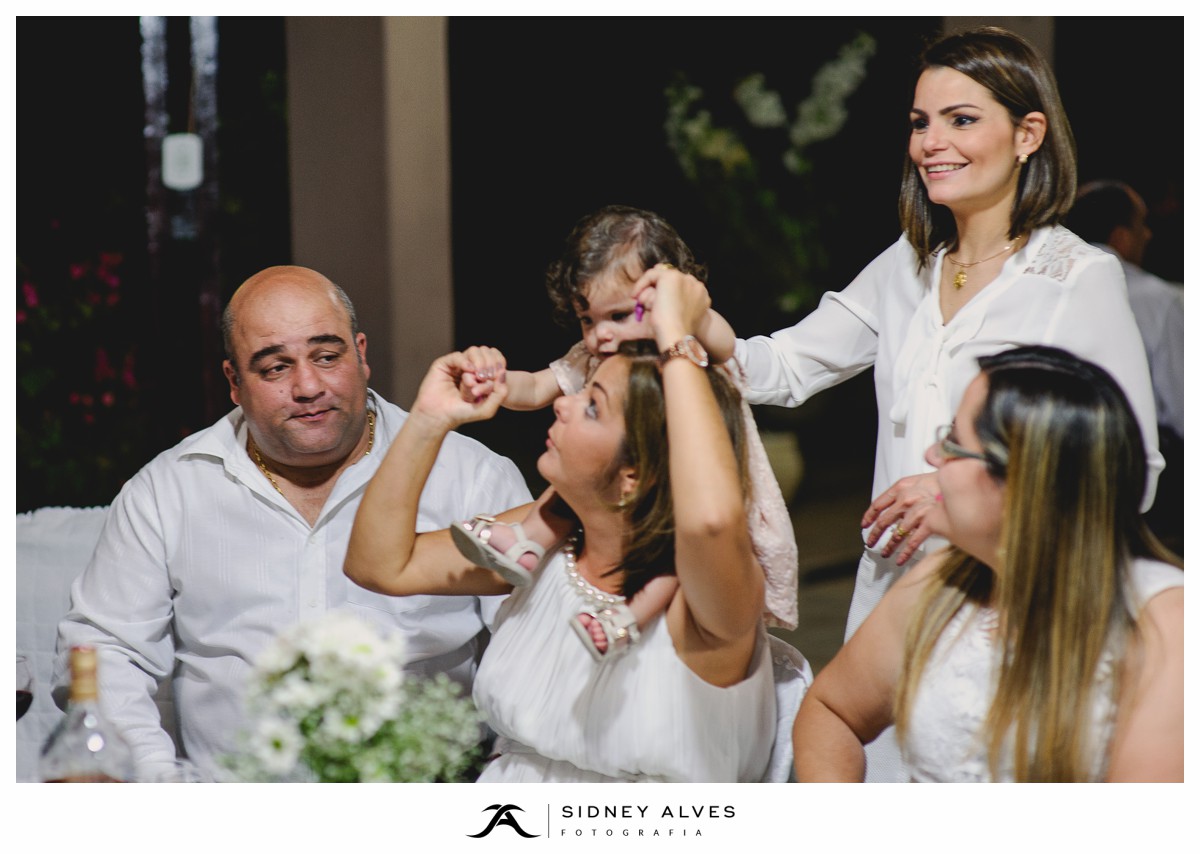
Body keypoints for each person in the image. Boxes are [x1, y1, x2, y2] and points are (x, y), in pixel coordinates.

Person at [727, 26, 1162, 781]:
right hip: (893, 595)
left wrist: (962, 489)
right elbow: (782, 367)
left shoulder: (1076, 277)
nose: (932, 142)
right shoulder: (909, 263)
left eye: (962, 119)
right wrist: (693, 322)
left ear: (1029, 134)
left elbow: (1134, 471)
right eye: (920, 122)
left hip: (1008, 604)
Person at [52, 265, 532, 780]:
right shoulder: (168, 491)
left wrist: (494, 787)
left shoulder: (471, 477)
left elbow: (532, 647)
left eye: (328, 357)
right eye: (276, 368)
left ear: (362, 354)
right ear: (234, 382)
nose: (308, 386)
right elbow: (104, 651)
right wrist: (157, 785)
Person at [344, 276, 777, 782]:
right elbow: (377, 564)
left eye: (592, 406)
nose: (562, 403)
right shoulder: (538, 546)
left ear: (634, 474)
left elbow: (711, 519)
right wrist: (429, 420)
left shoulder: (706, 603)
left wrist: (679, 338)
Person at [792, 346, 1183, 782]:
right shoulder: (941, 583)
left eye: (955, 443)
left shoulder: (1167, 629)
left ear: (1021, 481)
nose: (932, 457)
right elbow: (831, 712)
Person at [449, 205, 798, 660]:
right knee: (568, 484)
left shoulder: (685, 351)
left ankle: (627, 618)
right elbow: (537, 386)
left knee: (671, 558)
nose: (599, 336)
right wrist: (497, 382)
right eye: (587, 319)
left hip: (682, 498)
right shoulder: (595, 359)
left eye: (617, 315)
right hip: (618, 494)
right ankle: (526, 543)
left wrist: (683, 311)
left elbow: (726, 341)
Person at [1066, 180, 1183, 441]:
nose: (1148, 235)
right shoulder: (1159, 299)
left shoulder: (1045, 286)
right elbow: (1183, 404)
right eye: (1142, 224)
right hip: (1139, 452)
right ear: (1120, 236)